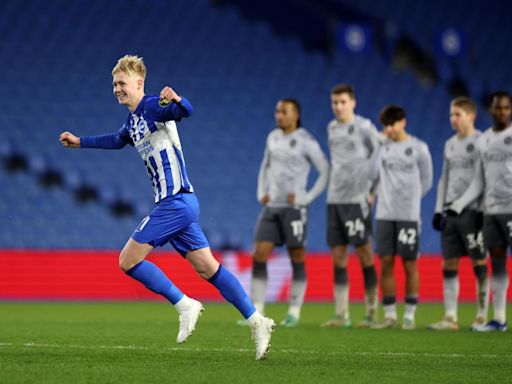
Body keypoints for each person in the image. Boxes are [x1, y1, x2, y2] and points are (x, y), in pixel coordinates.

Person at [59, 55, 275, 360]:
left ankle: (185, 304)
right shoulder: (132, 121)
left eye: (121, 83)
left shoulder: (151, 106)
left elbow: (184, 111)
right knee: (207, 267)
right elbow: (116, 140)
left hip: (176, 203)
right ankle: (258, 321)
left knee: (127, 260)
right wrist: (80, 141)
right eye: (114, 84)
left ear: (138, 83)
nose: (117, 89)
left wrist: (178, 99)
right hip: (178, 205)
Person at [246, 98, 329, 327]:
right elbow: (265, 165)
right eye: (277, 111)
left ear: (296, 115)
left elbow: (324, 171)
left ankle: (294, 311)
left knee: (297, 257)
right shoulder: (272, 137)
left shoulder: (306, 141)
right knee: (259, 254)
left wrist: (307, 197)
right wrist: (261, 191)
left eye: (284, 111)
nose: (279, 115)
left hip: (294, 209)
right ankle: (257, 311)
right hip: (272, 206)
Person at [448, 91, 512, 332]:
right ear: (491, 110)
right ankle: (499, 319)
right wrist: (458, 204)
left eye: (506, 108)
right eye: (498, 108)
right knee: (496, 262)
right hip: (490, 211)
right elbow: (478, 181)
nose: (502, 112)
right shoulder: (483, 140)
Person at [322, 84, 382, 328]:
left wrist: (373, 189)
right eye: (335, 102)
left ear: (353, 103)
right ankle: (341, 313)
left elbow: (380, 156)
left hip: (357, 201)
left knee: (365, 255)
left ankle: (371, 312)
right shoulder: (331, 128)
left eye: (343, 102)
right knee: (338, 258)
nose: (338, 107)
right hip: (334, 199)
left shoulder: (365, 128)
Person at [428, 97, 489, 331]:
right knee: (449, 263)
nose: (453, 119)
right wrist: (437, 209)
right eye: (451, 115)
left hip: (472, 211)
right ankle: (450, 317)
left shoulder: (481, 141)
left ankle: (482, 315)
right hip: (451, 211)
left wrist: (461, 204)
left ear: (470, 116)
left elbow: (480, 180)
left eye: (457, 115)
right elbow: (445, 178)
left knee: (479, 263)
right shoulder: (450, 144)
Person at [371, 105, 433, 330]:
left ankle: (409, 314)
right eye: (386, 126)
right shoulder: (382, 148)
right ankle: (389, 315)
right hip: (385, 214)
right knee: (386, 263)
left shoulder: (419, 148)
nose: (390, 129)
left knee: (409, 264)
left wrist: (410, 199)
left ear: (403, 122)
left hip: (408, 216)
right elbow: (372, 174)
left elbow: (426, 181)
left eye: (393, 124)